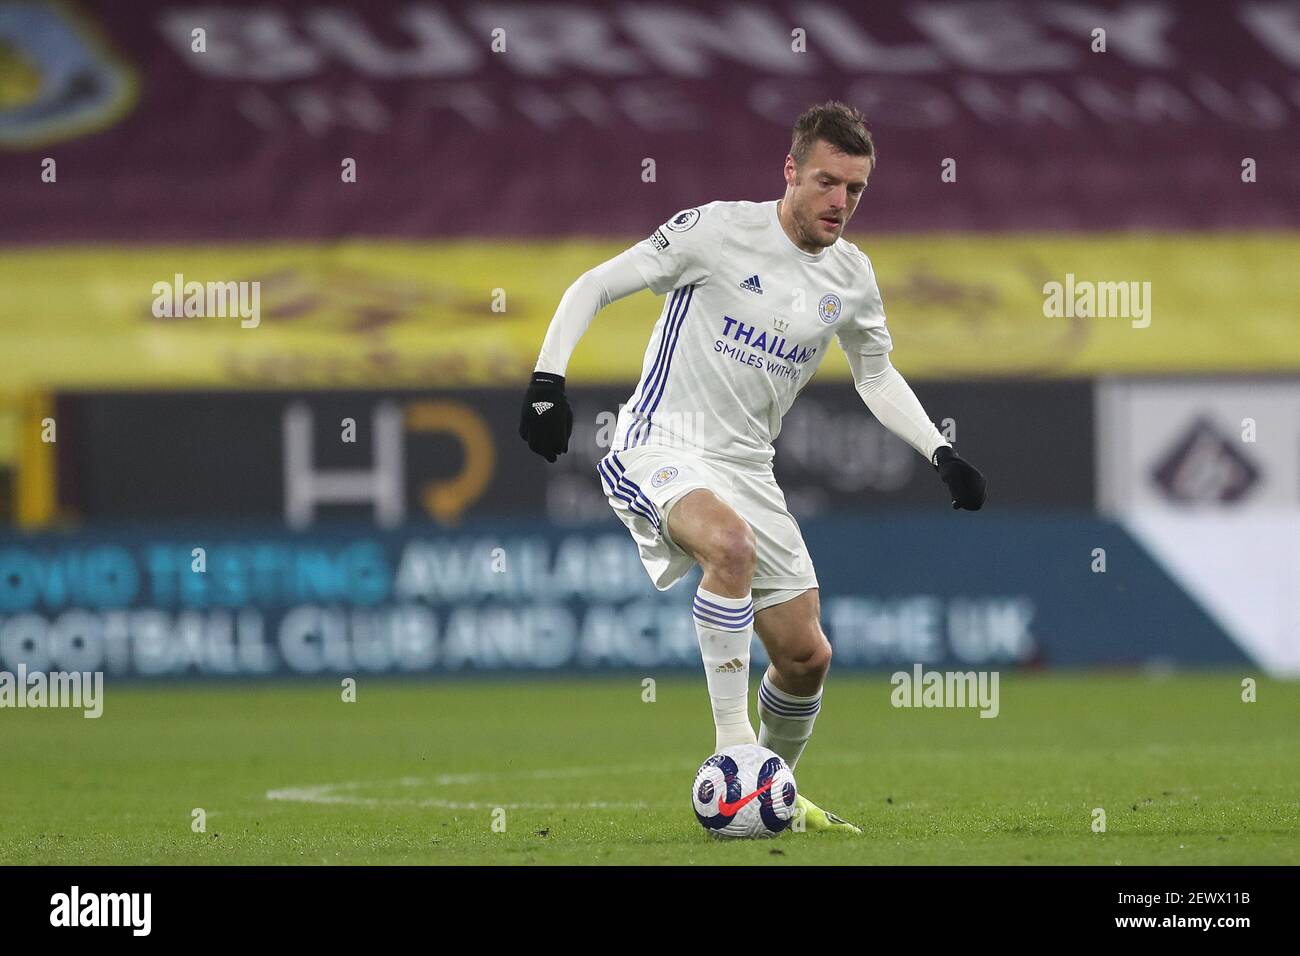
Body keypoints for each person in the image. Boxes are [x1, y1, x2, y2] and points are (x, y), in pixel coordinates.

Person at [519, 101, 986, 832]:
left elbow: (874, 374)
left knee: (806, 657)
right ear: (792, 171)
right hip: (661, 441)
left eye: (856, 190)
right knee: (729, 546)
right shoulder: (715, 231)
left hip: (747, 466)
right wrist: (549, 382)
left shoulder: (852, 276)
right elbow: (595, 285)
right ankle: (734, 751)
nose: (841, 202)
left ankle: (773, 795)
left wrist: (940, 451)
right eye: (828, 182)